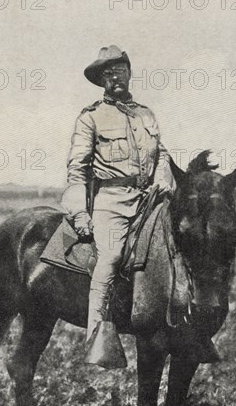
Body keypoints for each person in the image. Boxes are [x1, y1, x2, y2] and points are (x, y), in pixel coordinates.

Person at [61, 45, 175, 353]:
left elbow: (161, 152)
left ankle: (190, 326)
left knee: (182, 244)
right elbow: (77, 169)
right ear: (101, 81)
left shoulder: (145, 114)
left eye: (120, 71)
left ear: (129, 73)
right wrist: (79, 213)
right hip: (111, 201)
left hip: (150, 198)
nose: (115, 78)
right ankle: (98, 337)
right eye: (108, 74)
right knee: (109, 258)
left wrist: (163, 176)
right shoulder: (91, 118)